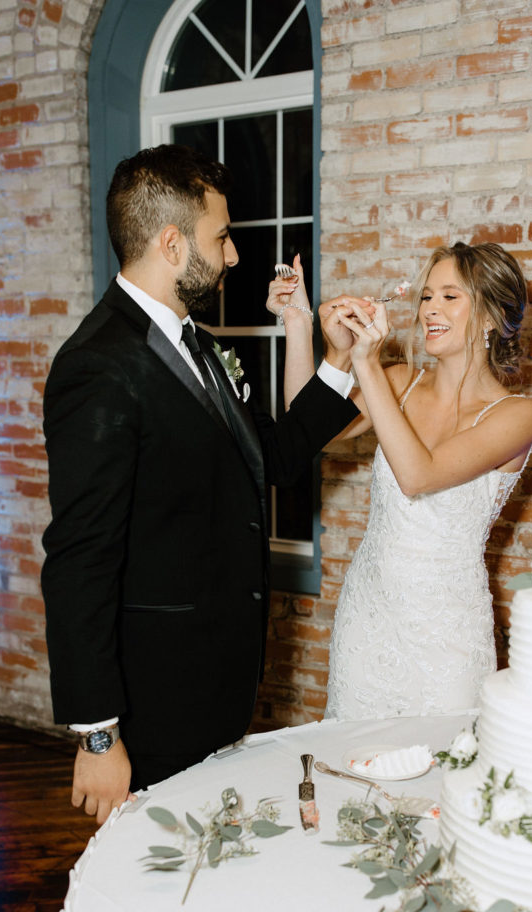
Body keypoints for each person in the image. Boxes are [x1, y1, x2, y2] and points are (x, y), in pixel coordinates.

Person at [41, 144, 358, 823]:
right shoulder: (98, 367)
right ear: (171, 242)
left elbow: (267, 459)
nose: (234, 256)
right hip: (154, 695)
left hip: (216, 679)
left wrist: (339, 364)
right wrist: (98, 734)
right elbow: (79, 559)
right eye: (222, 237)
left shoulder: (198, 345)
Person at [314, 241, 532, 720]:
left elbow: (418, 477)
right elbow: (307, 433)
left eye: (450, 297)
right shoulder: (399, 381)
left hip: (448, 635)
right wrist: (314, 338)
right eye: (425, 297)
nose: (430, 309)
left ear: (490, 317)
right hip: (368, 618)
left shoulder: (519, 416)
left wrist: (366, 362)